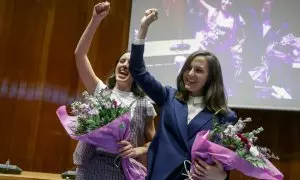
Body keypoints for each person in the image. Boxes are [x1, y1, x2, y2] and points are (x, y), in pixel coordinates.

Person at [129, 9, 237, 180]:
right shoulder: (168, 97)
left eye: (199, 70)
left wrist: (222, 176)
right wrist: (143, 28)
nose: (190, 73)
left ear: (211, 78)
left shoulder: (225, 116)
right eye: (188, 68)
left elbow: (224, 160)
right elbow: (137, 70)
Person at [73, 2, 156, 179]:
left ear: (138, 72)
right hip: (91, 167)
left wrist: (137, 150)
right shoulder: (101, 91)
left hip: (122, 170)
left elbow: (155, 141)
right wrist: (96, 19)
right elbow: (79, 55)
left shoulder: (144, 103)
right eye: (122, 61)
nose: (125, 65)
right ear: (116, 66)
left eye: (131, 63)